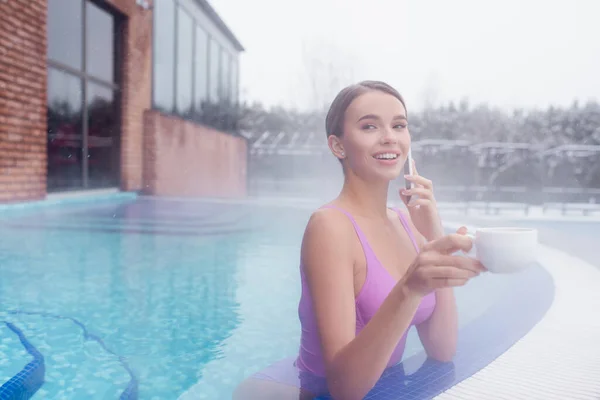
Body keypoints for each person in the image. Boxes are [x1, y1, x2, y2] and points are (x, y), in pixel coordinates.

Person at [233, 81, 485, 400]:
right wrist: (410, 287)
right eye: (369, 126)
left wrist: (435, 234)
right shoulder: (330, 227)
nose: (389, 137)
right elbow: (344, 389)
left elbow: (443, 349)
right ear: (338, 146)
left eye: (399, 125)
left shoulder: (407, 221)